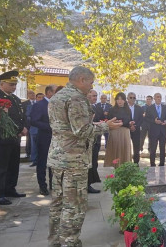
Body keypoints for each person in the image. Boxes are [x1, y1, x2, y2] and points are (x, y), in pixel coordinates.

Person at [47, 66, 121, 246]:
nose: (91, 86)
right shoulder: (76, 98)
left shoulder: (58, 96)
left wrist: (95, 123)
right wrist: (105, 127)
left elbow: (67, 126)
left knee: (58, 203)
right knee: (74, 205)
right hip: (74, 160)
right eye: (90, 82)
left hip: (58, 158)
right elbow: (81, 130)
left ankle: (56, 240)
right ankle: (70, 242)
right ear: (81, 79)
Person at [0, 70, 27, 205]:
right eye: (11, 84)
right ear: (2, 83)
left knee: (13, 165)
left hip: (15, 137)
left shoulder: (15, 99)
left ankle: (10, 188)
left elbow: (21, 116)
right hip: (2, 138)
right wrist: (19, 128)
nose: (14, 87)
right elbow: (4, 119)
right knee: (0, 166)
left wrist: (24, 127)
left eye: (15, 84)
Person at [31, 85, 57, 195]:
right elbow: (34, 121)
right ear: (49, 92)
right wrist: (50, 126)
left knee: (54, 162)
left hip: (56, 138)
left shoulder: (57, 104)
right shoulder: (39, 105)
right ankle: (42, 186)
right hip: (44, 138)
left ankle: (54, 184)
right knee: (42, 163)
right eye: (56, 92)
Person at [104, 92, 132, 167]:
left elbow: (129, 120)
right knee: (114, 151)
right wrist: (115, 122)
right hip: (114, 132)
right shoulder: (112, 109)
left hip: (124, 132)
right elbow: (109, 121)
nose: (120, 101)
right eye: (118, 99)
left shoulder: (128, 110)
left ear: (124, 100)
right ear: (116, 100)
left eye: (122, 99)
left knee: (124, 150)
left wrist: (122, 123)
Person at [145, 93, 166, 167]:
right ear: (154, 98)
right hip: (153, 131)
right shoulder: (150, 108)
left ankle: (162, 163)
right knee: (153, 149)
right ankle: (152, 163)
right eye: (157, 97)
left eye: (160, 97)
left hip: (162, 131)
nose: (159, 98)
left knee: (162, 148)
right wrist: (154, 121)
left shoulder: (165, 107)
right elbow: (146, 118)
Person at [87, 89, 104, 193]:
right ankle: (87, 184)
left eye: (96, 96)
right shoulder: (85, 107)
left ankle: (92, 180)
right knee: (89, 163)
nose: (95, 97)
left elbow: (99, 119)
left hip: (96, 138)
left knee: (94, 161)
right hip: (88, 140)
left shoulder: (95, 107)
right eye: (93, 95)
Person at [127, 92, 144, 165]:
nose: (132, 99)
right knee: (126, 147)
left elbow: (141, 119)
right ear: (127, 98)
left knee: (136, 148)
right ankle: (127, 163)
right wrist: (129, 126)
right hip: (126, 130)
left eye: (134, 98)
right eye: (131, 97)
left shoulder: (139, 108)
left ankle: (136, 163)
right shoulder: (124, 108)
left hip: (136, 131)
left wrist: (135, 126)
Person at [22, 90, 36, 159]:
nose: (32, 94)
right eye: (30, 93)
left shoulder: (37, 103)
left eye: (33, 93)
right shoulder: (24, 104)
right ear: (28, 95)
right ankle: (28, 153)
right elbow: (23, 115)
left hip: (36, 124)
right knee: (28, 139)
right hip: (28, 124)